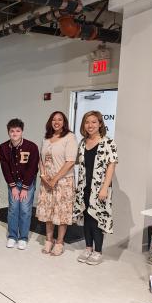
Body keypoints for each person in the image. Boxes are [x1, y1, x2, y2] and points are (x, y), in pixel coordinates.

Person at [73, 111, 118, 265]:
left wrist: (105, 188)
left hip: (100, 188)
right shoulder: (83, 143)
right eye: (87, 122)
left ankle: (98, 251)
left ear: (100, 124)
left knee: (96, 219)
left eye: (93, 122)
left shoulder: (108, 142)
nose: (90, 125)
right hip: (85, 187)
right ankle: (88, 248)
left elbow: (111, 166)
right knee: (87, 217)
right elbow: (79, 165)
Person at [36, 111, 78, 256]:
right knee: (48, 212)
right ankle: (49, 240)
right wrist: (42, 175)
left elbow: (71, 161)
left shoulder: (70, 137)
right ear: (50, 122)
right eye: (54, 119)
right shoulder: (46, 138)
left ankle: (59, 242)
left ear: (64, 122)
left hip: (63, 182)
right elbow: (41, 160)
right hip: (47, 181)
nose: (56, 122)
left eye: (60, 119)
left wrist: (55, 179)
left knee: (61, 214)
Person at [0, 118, 39, 250]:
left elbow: (33, 168)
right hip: (13, 184)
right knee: (13, 209)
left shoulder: (31, 147)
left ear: (22, 131)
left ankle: (23, 237)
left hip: (28, 183)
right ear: (8, 132)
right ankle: (12, 236)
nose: (15, 133)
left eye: (18, 130)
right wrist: (13, 187)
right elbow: (5, 169)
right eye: (12, 131)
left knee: (25, 210)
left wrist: (25, 188)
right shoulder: (3, 147)